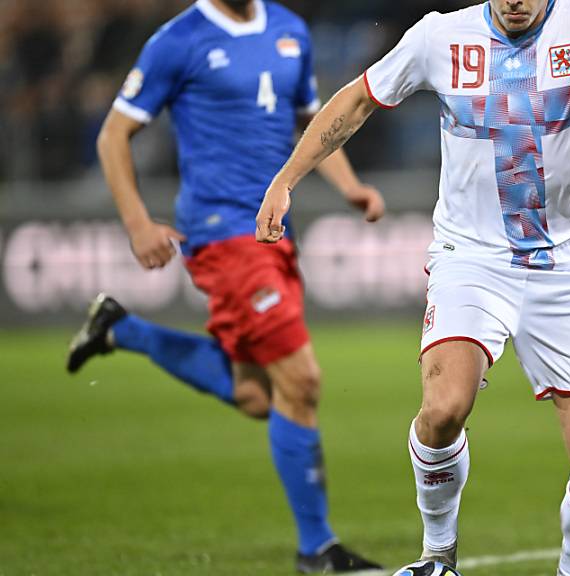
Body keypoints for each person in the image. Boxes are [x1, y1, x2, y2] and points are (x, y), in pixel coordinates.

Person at [254, 1, 570, 574]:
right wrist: (285, 179)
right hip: (470, 257)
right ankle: (438, 556)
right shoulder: (439, 35)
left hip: (566, 268)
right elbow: (358, 98)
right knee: (443, 409)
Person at [65, 0, 385, 572]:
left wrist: (351, 186)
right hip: (224, 234)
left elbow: (312, 124)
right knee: (302, 379)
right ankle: (317, 549)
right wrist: (138, 223)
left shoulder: (290, 29)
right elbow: (114, 136)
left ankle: (123, 329)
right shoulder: (178, 39)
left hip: (272, 230)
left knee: (260, 397)